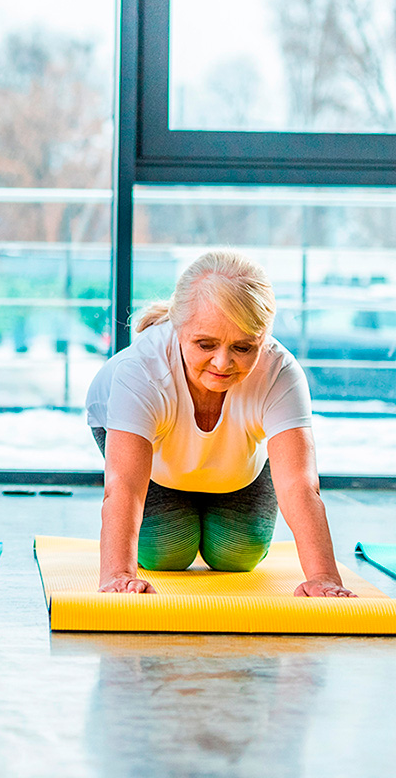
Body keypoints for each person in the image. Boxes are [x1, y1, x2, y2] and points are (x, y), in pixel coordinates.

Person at [86, 250, 356, 598]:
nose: (223, 362)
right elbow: (124, 486)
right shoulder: (142, 370)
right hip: (155, 462)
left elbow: (300, 485)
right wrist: (118, 575)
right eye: (205, 344)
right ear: (178, 327)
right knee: (168, 550)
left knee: (237, 554)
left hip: (234, 467)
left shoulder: (279, 372)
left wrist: (323, 577)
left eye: (243, 347)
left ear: (264, 337)